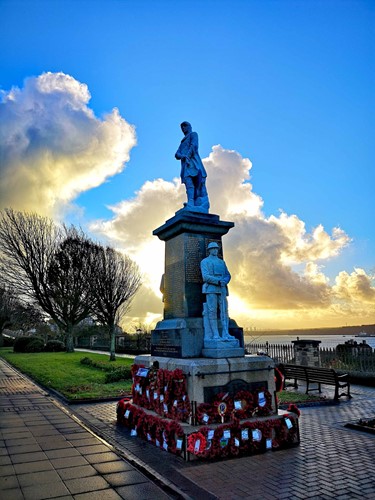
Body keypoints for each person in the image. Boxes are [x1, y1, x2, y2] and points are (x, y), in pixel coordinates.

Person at [200, 242, 235, 341]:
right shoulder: (205, 262)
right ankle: (215, 334)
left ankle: (225, 333)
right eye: (213, 249)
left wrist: (225, 281)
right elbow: (205, 276)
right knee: (212, 311)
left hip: (222, 289)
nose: (215, 250)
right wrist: (218, 281)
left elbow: (228, 274)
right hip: (211, 289)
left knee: (224, 311)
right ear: (209, 250)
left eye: (216, 248)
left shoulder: (221, 262)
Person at [175, 121, 210, 212]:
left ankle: (202, 203)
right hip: (186, 165)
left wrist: (188, 155)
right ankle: (191, 202)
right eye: (182, 127)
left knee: (199, 183)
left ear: (189, 126)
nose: (183, 128)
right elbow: (176, 154)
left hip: (194, 163)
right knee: (188, 181)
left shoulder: (193, 134)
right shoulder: (182, 141)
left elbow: (194, 146)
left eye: (185, 126)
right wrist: (183, 156)